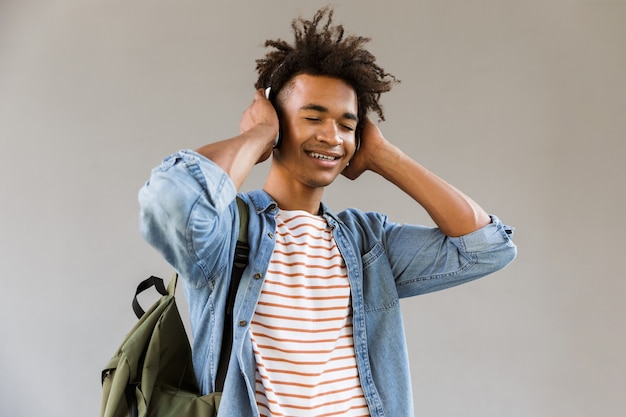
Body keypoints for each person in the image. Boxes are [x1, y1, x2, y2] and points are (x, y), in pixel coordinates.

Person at [138, 6, 517, 417]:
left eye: (347, 125)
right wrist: (258, 136)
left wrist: (384, 156)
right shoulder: (227, 232)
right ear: (280, 123)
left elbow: (486, 247)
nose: (332, 136)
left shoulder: (368, 243)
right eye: (313, 116)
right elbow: (171, 202)